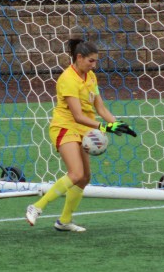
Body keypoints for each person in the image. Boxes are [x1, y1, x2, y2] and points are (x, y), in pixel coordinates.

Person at [25, 37, 136, 232]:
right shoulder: (68, 79)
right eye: (91, 61)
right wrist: (104, 128)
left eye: (96, 61)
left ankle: (64, 221)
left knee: (84, 178)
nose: (94, 65)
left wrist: (117, 124)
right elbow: (77, 115)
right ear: (79, 57)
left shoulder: (90, 77)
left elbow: (100, 107)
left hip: (84, 130)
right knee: (75, 173)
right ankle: (37, 207)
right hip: (65, 127)